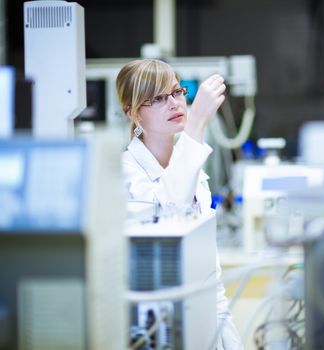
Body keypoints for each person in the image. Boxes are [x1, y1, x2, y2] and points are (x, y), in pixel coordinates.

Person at [116, 58, 243, 350]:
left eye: (176, 92)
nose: (173, 103)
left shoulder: (193, 169)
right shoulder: (125, 175)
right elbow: (170, 220)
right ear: (133, 113)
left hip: (204, 322)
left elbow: (213, 280)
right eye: (158, 99)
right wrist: (196, 124)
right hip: (157, 328)